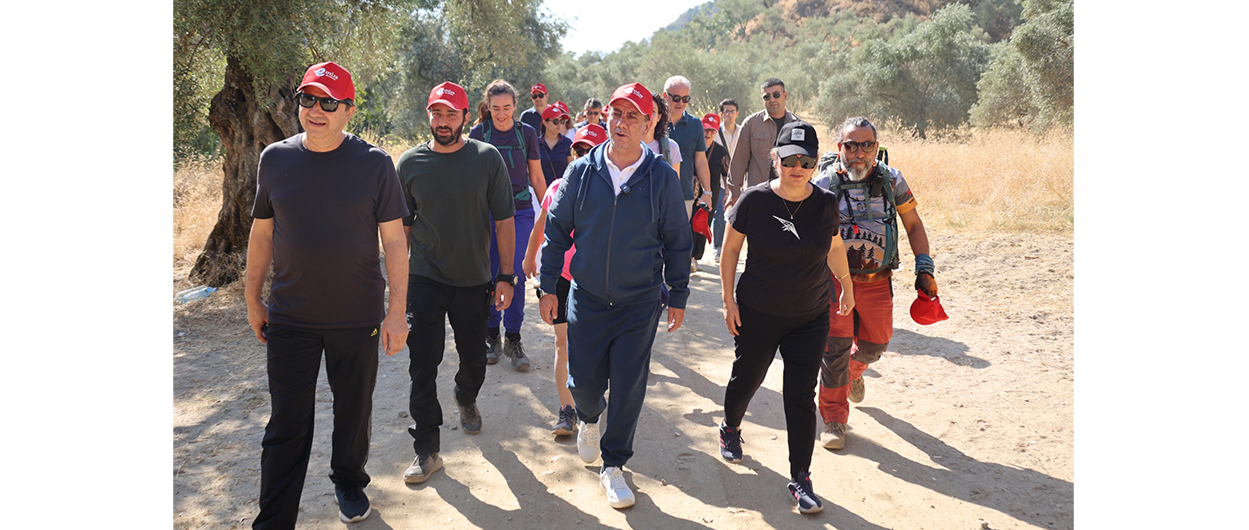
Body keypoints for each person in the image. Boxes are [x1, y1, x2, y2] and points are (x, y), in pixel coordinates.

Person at [245, 61, 409, 528]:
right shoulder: (274, 159)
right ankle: (273, 520)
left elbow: (395, 242)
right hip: (290, 316)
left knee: (353, 413)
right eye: (309, 99)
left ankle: (349, 481)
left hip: (356, 317)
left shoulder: (375, 163)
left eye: (329, 103)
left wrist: (397, 312)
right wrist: (253, 298)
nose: (316, 110)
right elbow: (262, 232)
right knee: (286, 425)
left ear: (349, 110)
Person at [538, 82, 692, 509]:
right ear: (606, 116)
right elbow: (556, 231)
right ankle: (588, 417)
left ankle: (614, 465)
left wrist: (679, 293)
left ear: (648, 125)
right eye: (616, 114)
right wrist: (547, 285)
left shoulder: (661, 177)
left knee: (628, 385)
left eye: (632, 117)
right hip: (586, 298)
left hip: (639, 302)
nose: (621, 123)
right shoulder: (581, 171)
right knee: (584, 384)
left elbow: (678, 240)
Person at [717, 120, 855, 515]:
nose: (798, 167)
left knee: (799, 395)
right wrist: (728, 301)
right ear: (775, 157)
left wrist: (846, 284)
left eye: (806, 161)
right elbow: (730, 251)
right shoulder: (753, 200)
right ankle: (730, 427)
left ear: (816, 163)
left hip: (809, 316)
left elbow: (834, 246)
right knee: (748, 379)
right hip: (758, 312)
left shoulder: (825, 202)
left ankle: (801, 477)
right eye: (790, 159)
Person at [395, 81, 518, 485]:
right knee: (422, 363)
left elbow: (504, 220)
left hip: (473, 278)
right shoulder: (409, 163)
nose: (443, 121)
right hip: (424, 277)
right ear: (428, 116)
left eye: (451, 114)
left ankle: (466, 396)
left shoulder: (486, 158)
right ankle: (427, 449)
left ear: (466, 116)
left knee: (475, 360)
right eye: (437, 113)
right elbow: (402, 230)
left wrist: (505, 275)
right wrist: (397, 287)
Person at [811, 116, 938, 450]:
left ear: (876, 147)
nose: (859, 153)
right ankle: (834, 419)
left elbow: (913, 225)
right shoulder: (824, 183)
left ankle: (853, 374)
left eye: (866, 145)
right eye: (851, 145)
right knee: (835, 350)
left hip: (877, 280)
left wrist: (924, 268)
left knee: (876, 344)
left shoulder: (892, 180)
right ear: (839, 147)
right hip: (835, 282)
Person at [521, 123, 608, 437]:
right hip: (560, 275)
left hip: (595, 279)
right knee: (563, 344)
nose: (583, 156)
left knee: (594, 347)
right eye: (579, 150)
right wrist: (530, 257)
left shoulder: (613, 191)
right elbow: (541, 225)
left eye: (590, 151)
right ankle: (567, 410)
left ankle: (590, 405)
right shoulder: (557, 187)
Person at [468, 79, 548, 370]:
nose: (501, 114)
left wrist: (549, 211)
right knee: (490, 272)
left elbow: (536, 177)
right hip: (486, 212)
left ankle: (513, 337)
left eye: (506, 108)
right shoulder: (479, 133)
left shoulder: (527, 133)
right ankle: (492, 335)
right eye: (495, 108)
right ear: (488, 107)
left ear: (515, 106)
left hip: (520, 211)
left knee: (514, 271)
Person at [662, 76, 713, 273]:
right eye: (676, 98)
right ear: (665, 96)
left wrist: (707, 192)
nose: (681, 103)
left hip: (683, 195)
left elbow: (700, 160)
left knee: (677, 242)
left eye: (686, 99)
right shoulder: (653, 121)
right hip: (652, 193)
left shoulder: (695, 124)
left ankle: (675, 284)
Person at [727, 78, 800, 208]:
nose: (772, 99)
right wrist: (734, 192)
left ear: (785, 95)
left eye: (776, 95)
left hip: (789, 196)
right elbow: (739, 160)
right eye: (767, 97)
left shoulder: (798, 126)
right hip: (757, 196)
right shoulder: (751, 124)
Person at [694, 113, 729, 264]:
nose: (708, 134)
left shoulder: (721, 152)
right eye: (705, 130)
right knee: (688, 223)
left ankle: (695, 256)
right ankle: (688, 257)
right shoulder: (692, 147)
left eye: (712, 131)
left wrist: (727, 192)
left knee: (703, 224)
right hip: (691, 192)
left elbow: (727, 174)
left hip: (710, 195)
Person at [713, 98, 741, 258]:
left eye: (732, 111)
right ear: (721, 114)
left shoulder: (743, 131)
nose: (729, 114)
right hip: (719, 180)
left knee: (738, 215)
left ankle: (733, 248)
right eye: (726, 111)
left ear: (737, 113)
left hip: (739, 180)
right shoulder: (715, 132)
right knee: (719, 213)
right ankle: (718, 248)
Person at [536, 104, 574, 187]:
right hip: (540, 190)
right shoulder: (535, 144)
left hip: (562, 189)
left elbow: (572, 169)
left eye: (562, 121)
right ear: (545, 123)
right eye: (555, 121)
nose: (559, 125)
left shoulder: (567, 143)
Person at [642, 92, 680, 174]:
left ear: (659, 117)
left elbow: (675, 181)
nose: (648, 115)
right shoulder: (626, 145)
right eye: (644, 110)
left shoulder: (671, 147)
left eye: (653, 111)